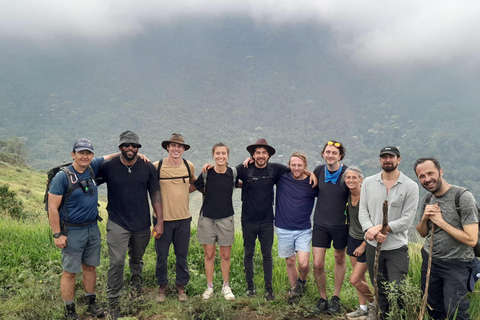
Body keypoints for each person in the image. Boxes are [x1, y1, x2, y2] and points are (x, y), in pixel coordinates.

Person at [96, 131, 163, 319]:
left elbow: (155, 194)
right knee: (117, 262)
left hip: (141, 222)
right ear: (120, 147)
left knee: (137, 258)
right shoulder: (108, 167)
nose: (130, 148)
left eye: (134, 145)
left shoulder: (147, 167)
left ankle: (136, 287)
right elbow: (90, 181)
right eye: (126, 145)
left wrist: (159, 221)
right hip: (117, 221)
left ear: (138, 148)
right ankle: (113, 302)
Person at [48, 138, 117, 320]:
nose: (85, 156)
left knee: (90, 267)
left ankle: (91, 303)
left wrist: (134, 153)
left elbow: (108, 157)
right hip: (72, 231)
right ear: (73, 154)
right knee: (70, 272)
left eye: (88, 153)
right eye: (81, 153)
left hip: (92, 228)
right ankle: (70, 310)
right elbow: (52, 207)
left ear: (91, 155)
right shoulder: (62, 177)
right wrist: (57, 234)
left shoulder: (91, 167)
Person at [359, 146, 419, 319]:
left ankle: (398, 317)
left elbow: (407, 220)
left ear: (398, 159)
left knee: (398, 290)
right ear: (380, 160)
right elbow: (363, 211)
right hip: (372, 246)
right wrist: (370, 230)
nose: (387, 160)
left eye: (391, 157)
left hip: (396, 248)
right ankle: (382, 316)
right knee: (379, 289)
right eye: (384, 157)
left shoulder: (410, 186)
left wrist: (381, 228)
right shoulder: (369, 182)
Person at [415, 157, 478, 320]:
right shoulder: (427, 199)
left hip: (457, 264)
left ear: (440, 172)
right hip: (430, 261)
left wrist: (441, 222)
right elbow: (422, 233)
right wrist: (425, 218)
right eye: (422, 176)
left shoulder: (463, 197)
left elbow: (471, 239)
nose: (427, 179)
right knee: (434, 309)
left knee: (455, 313)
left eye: (430, 173)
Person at [153, 133, 196, 302]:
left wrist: (182, 192)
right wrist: (158, 221)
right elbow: (151, 189)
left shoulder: (188, 165)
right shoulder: (157, 166)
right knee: (161, 256)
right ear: (167, 147)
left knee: (182, 255)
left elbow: (194, 183)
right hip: (162, 221)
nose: (176, 149)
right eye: (173, 146)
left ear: (183, 149)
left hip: (184, 218)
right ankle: (162, 287)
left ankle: (181, 287)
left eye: (180, 146)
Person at [192, 143, 237, 301]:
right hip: (207, 219)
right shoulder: (206, 173)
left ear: (227, 156)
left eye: (223, 153)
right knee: (209, 255)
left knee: (225, 255)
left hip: (226, 218)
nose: (220, 156)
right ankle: (209, 287)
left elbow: (242, 181)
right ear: (213, 155)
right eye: (217, 153)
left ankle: (226, 286)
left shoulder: (232, 173)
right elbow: (197, 186)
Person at [312, 140, 349, 315]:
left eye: (334, 153)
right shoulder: (319, 171)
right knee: (318, 264)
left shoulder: (347, 173)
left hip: (341, 225)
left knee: (339, 259)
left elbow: (356, 194)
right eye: (327, 152)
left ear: (340, 156)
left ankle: (335, 297)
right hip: (320, 224)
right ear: (323, 154)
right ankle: (322, 298)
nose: (330, 155)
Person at [274, 152, 317, 303]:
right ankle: (294, 291)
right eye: (293, 165)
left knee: (304, 264)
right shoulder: (282, 178)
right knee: (290, 261)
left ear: (305, 166)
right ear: (289, 165)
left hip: (303, 229)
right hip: (283, 227)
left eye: (300, 165)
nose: (296, 168)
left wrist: (311, 174)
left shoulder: (312, 183)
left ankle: (302, 282)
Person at [343, 167, 374, 319]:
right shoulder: (348, 194)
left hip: (367, 241)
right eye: (348, 178)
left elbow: (375, 223)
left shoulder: (367, 197)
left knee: (354, 279)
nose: (351, 180)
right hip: (352, 238)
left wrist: (364, 245)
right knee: (359, 279)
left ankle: (376, 305)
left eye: (354, 178)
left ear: (361, 179)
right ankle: (363, 308)